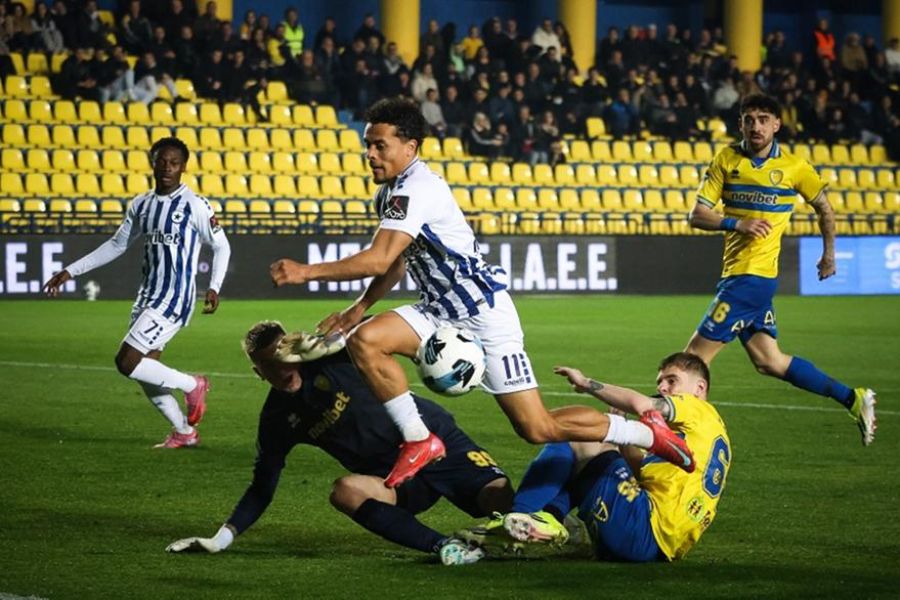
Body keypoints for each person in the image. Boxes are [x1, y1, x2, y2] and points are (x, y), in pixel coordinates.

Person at [269, 97, 694, 489]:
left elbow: (379, 259)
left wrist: (306, 271)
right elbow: (396, 261)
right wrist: (359, 307)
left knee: (537, 427)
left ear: (410, 147)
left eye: (380, 145)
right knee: (365, 338)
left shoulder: (418, 189)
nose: (370, 154)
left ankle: (645, 433)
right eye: (368, 145)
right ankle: (419, 440)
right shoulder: (389, 193)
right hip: (439, 310)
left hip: (482, 314)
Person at [166, 321, 512, 566]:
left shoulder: (334, 357)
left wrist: (330, 340)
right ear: (259, 372)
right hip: (393, 478)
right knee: (345, 491)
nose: (280, 368)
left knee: (500, 499)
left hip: (430, 437)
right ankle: (447, 547)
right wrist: (219, 539)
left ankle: (537, 530)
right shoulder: (276, 418)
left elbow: (375, 330)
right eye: (269, 364)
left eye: (281, 357)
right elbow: (262, 487)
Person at [685, 94, 876, 445]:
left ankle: (688, 439)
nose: (755, 126)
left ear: (777, 124)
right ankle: (853, 398)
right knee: (769, 361)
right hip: (741, 275)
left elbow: (825, 208)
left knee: (692, 360)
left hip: (750, 279)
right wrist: (736, 223)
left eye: (763, 119)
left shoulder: (795, 167)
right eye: (749, 119)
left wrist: (829, 255)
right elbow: (696, 215)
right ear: (740, 124)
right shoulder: (726, 159)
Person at [42, 137, 231, 449]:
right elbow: (117, 244)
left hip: (174, 297)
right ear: (152, 163)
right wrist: (70, 271)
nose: (167, 168)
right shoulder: (142, 205)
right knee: (144, 370)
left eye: (174, 163)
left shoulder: (195, 205)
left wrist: (214, 285)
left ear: (184, 167)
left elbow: (221, 246)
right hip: (147, 296)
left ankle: (193, 385)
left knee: (126, 361)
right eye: (162, 161)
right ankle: (184, 432)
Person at [462, 353, 731, 563]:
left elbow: (643, 404)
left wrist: (586, 383)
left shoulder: (697, 409)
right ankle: (546, 520)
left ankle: (520, 516)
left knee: (578, 435)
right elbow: (639, 473)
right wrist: (621, 436)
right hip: (655, 546)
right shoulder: (704, 434)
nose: (662, 387)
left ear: (699, 387)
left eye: (672, 381)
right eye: (660, 381)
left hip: (642, 528)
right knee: (600, 450)